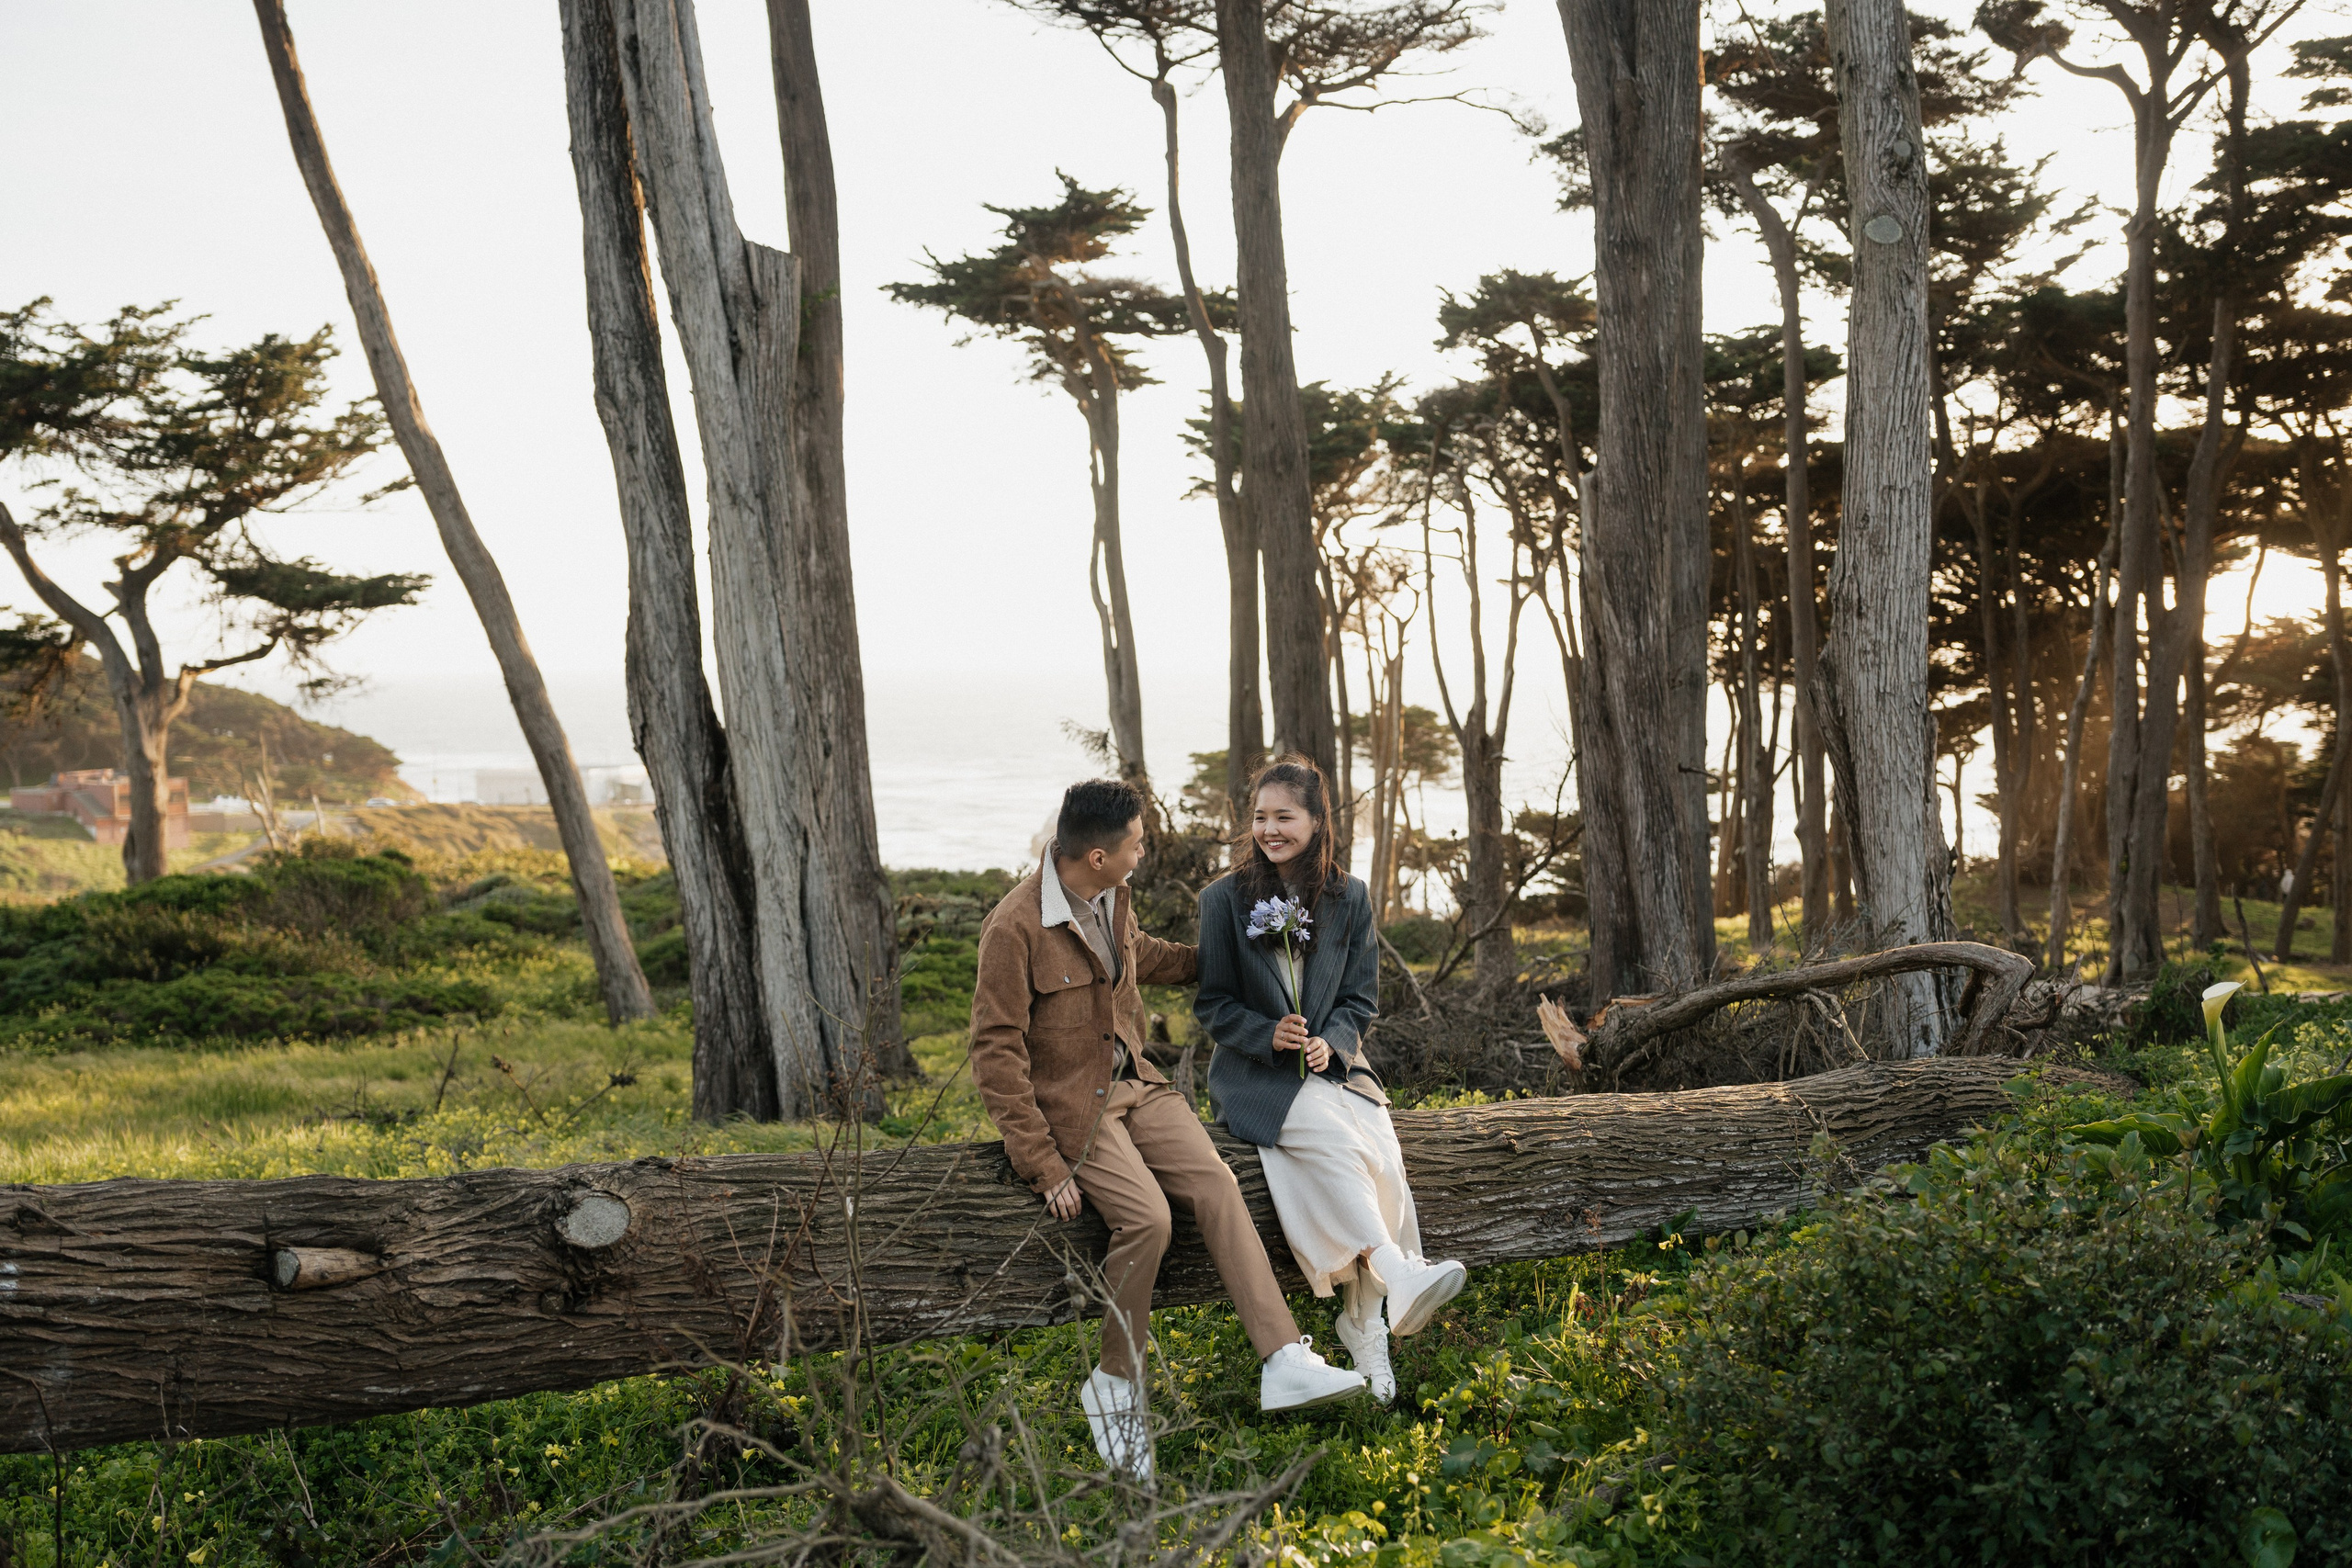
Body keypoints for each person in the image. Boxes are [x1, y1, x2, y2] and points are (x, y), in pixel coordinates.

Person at [970, 778, 1366, 1485]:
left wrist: (1240, 953)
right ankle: (1115, 1384)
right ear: (1097, 855)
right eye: (1136, 843)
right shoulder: (1013, 928)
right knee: (1148, 1218)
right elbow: (995, 1052)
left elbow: (1145, 954)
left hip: (1141, 1088)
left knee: (1217, 1184)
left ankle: (1281, 1358)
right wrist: (1042, 1163)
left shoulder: (1110, 897)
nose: (1144, 851)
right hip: (1076, 1112)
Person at [1193, 758, 1468, 1404]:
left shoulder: (1351, 897)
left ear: (1317, 822)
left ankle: (1362, 1319)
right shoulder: (1221, 900)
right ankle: (1394, 1270)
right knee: (1341, 1144)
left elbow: (1360, 999)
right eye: (1260, 817)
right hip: (1255, 1076)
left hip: (1338, 1069)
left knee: (1384, 1156)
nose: (1269, 828)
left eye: (1284, 816)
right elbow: (1212, 1004)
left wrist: (1331, 1041)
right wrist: (1269, 1034)